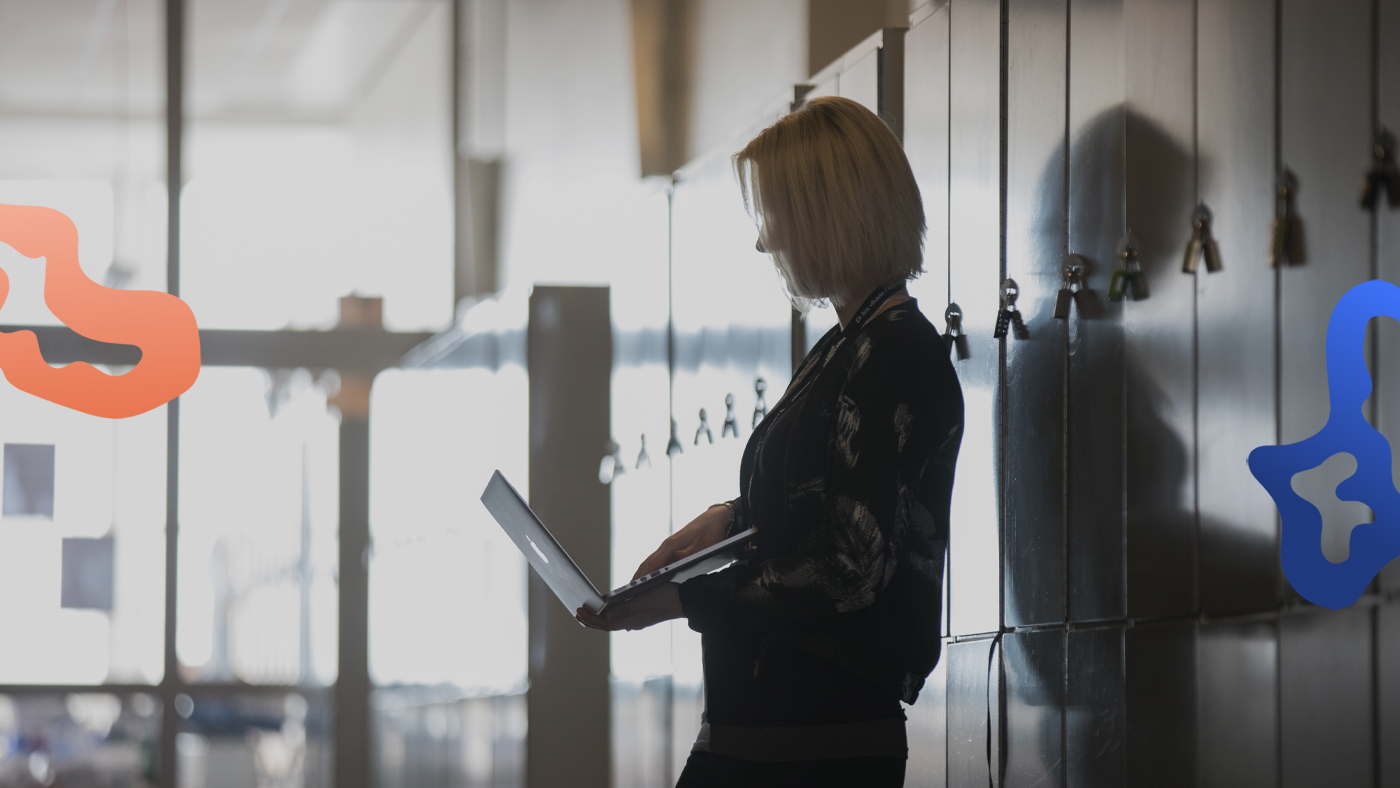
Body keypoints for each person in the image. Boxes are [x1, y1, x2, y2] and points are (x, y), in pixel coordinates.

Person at [577, 95, 964, 788]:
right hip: (764, 730)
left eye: (776, 216)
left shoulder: (895, 352)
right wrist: (730, 521)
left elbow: (850, 558)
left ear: (829, 214)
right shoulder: (846, 349)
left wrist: (683, 600)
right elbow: (817, 500)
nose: (766, 243)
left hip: (817, 741)